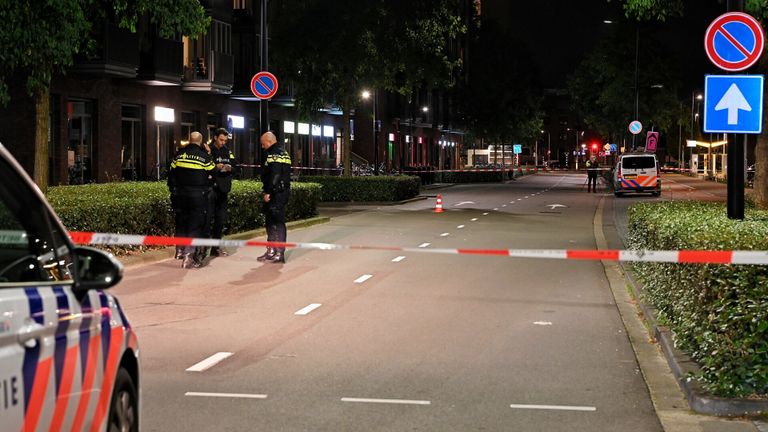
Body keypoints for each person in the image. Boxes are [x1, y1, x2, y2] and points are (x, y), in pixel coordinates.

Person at [167, 131, 214, 268]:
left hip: (180, 195)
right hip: (197, 196)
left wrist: (173, 190)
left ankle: (179, 251)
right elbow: (213, 173)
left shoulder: (179, 155)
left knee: (181, 222)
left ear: (189, 140)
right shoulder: (204, 157)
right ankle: (189, 257)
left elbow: (171, 174)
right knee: (195, 224)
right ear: (201, 141)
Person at [257, 131, 292, 263]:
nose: (262, 146)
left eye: (263, 143)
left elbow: (275, 175)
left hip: (277, 193)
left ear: (269, 141)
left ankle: (278, 253)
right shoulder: (283, 152)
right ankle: (272, 250)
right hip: (281, 191)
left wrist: (268, 192)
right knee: (271, 221)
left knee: (276, 222)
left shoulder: (273, 154)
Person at [209, 128, 236, 257]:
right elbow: (204, 167)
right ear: (215, 137)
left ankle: (215, 248)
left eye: (225, 140)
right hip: (211, 190)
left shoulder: (227, 151)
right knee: (207, 220)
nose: (223, 142)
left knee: (220, 221)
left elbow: (235, 165)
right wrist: (216, 167)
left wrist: (230, 168)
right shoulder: (208, 150)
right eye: (221, 140)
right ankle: (201, 250)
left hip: (223, 190)